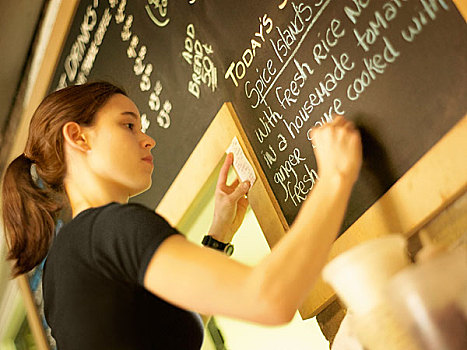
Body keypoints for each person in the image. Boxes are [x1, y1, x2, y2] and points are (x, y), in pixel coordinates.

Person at [1, 82, 362, 349]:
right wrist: (335, 177)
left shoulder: (62, 267)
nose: (148, 140)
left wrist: (218, 234)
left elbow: (165, 332)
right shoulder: (110, 229)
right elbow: (268, 299)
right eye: (128, 125)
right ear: (78, 138)